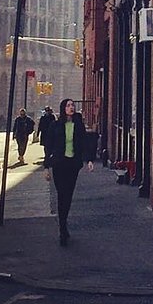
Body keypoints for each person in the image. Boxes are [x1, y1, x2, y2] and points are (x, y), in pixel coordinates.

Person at [44, 98, 94, 246]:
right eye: (68, 105)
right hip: (59, 164)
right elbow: (48, 146)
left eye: (73, 105)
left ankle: (63, 222)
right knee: (61, 195)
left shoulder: (78, 126)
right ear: (63, 108)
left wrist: (89, 160)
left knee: (68, 195)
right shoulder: (55, 126)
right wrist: (46, 167)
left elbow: (84, 143)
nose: (71, 108)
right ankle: (63, 227)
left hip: (73, 165)